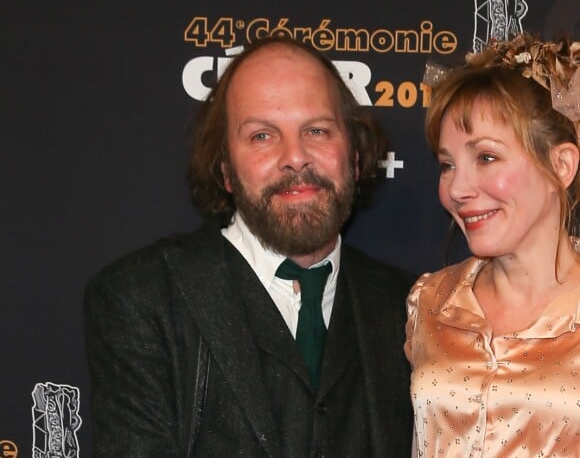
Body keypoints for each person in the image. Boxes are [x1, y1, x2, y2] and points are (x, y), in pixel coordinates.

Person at [85, 36, 415, 457]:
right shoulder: (140, 299)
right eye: (262, 136)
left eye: (316, 130)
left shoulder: (409, 307)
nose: (295, 157)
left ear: (353, 156)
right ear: (225, 169)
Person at [405, 33, 580, 456]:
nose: (458, 189)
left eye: (485, 157)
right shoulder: (428, 301)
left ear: (561, 165)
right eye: (447, 165)